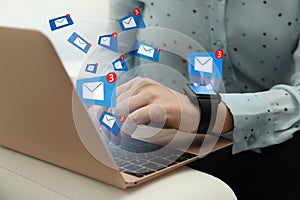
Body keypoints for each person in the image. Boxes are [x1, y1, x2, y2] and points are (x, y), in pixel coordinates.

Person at [101, 0, 300, 199]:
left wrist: (204, 112)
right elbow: (115, 52)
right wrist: (104, 96)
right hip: (153, 143)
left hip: (272, 147)